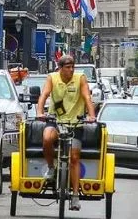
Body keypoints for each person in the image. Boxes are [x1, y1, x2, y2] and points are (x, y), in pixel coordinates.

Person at [37, 55, 96, 211]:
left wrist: (91, 116)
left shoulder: (80, 78)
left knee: (74, 157)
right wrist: (39, 112)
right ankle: (51, 167)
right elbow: (44, 94)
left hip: (75, 123)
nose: (71, 70)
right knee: (47, 138)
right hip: (56, 120)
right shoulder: (52, 78)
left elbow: (87, 97)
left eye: (72, 67)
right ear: (60, 67)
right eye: (67, 67)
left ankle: (75, 195)